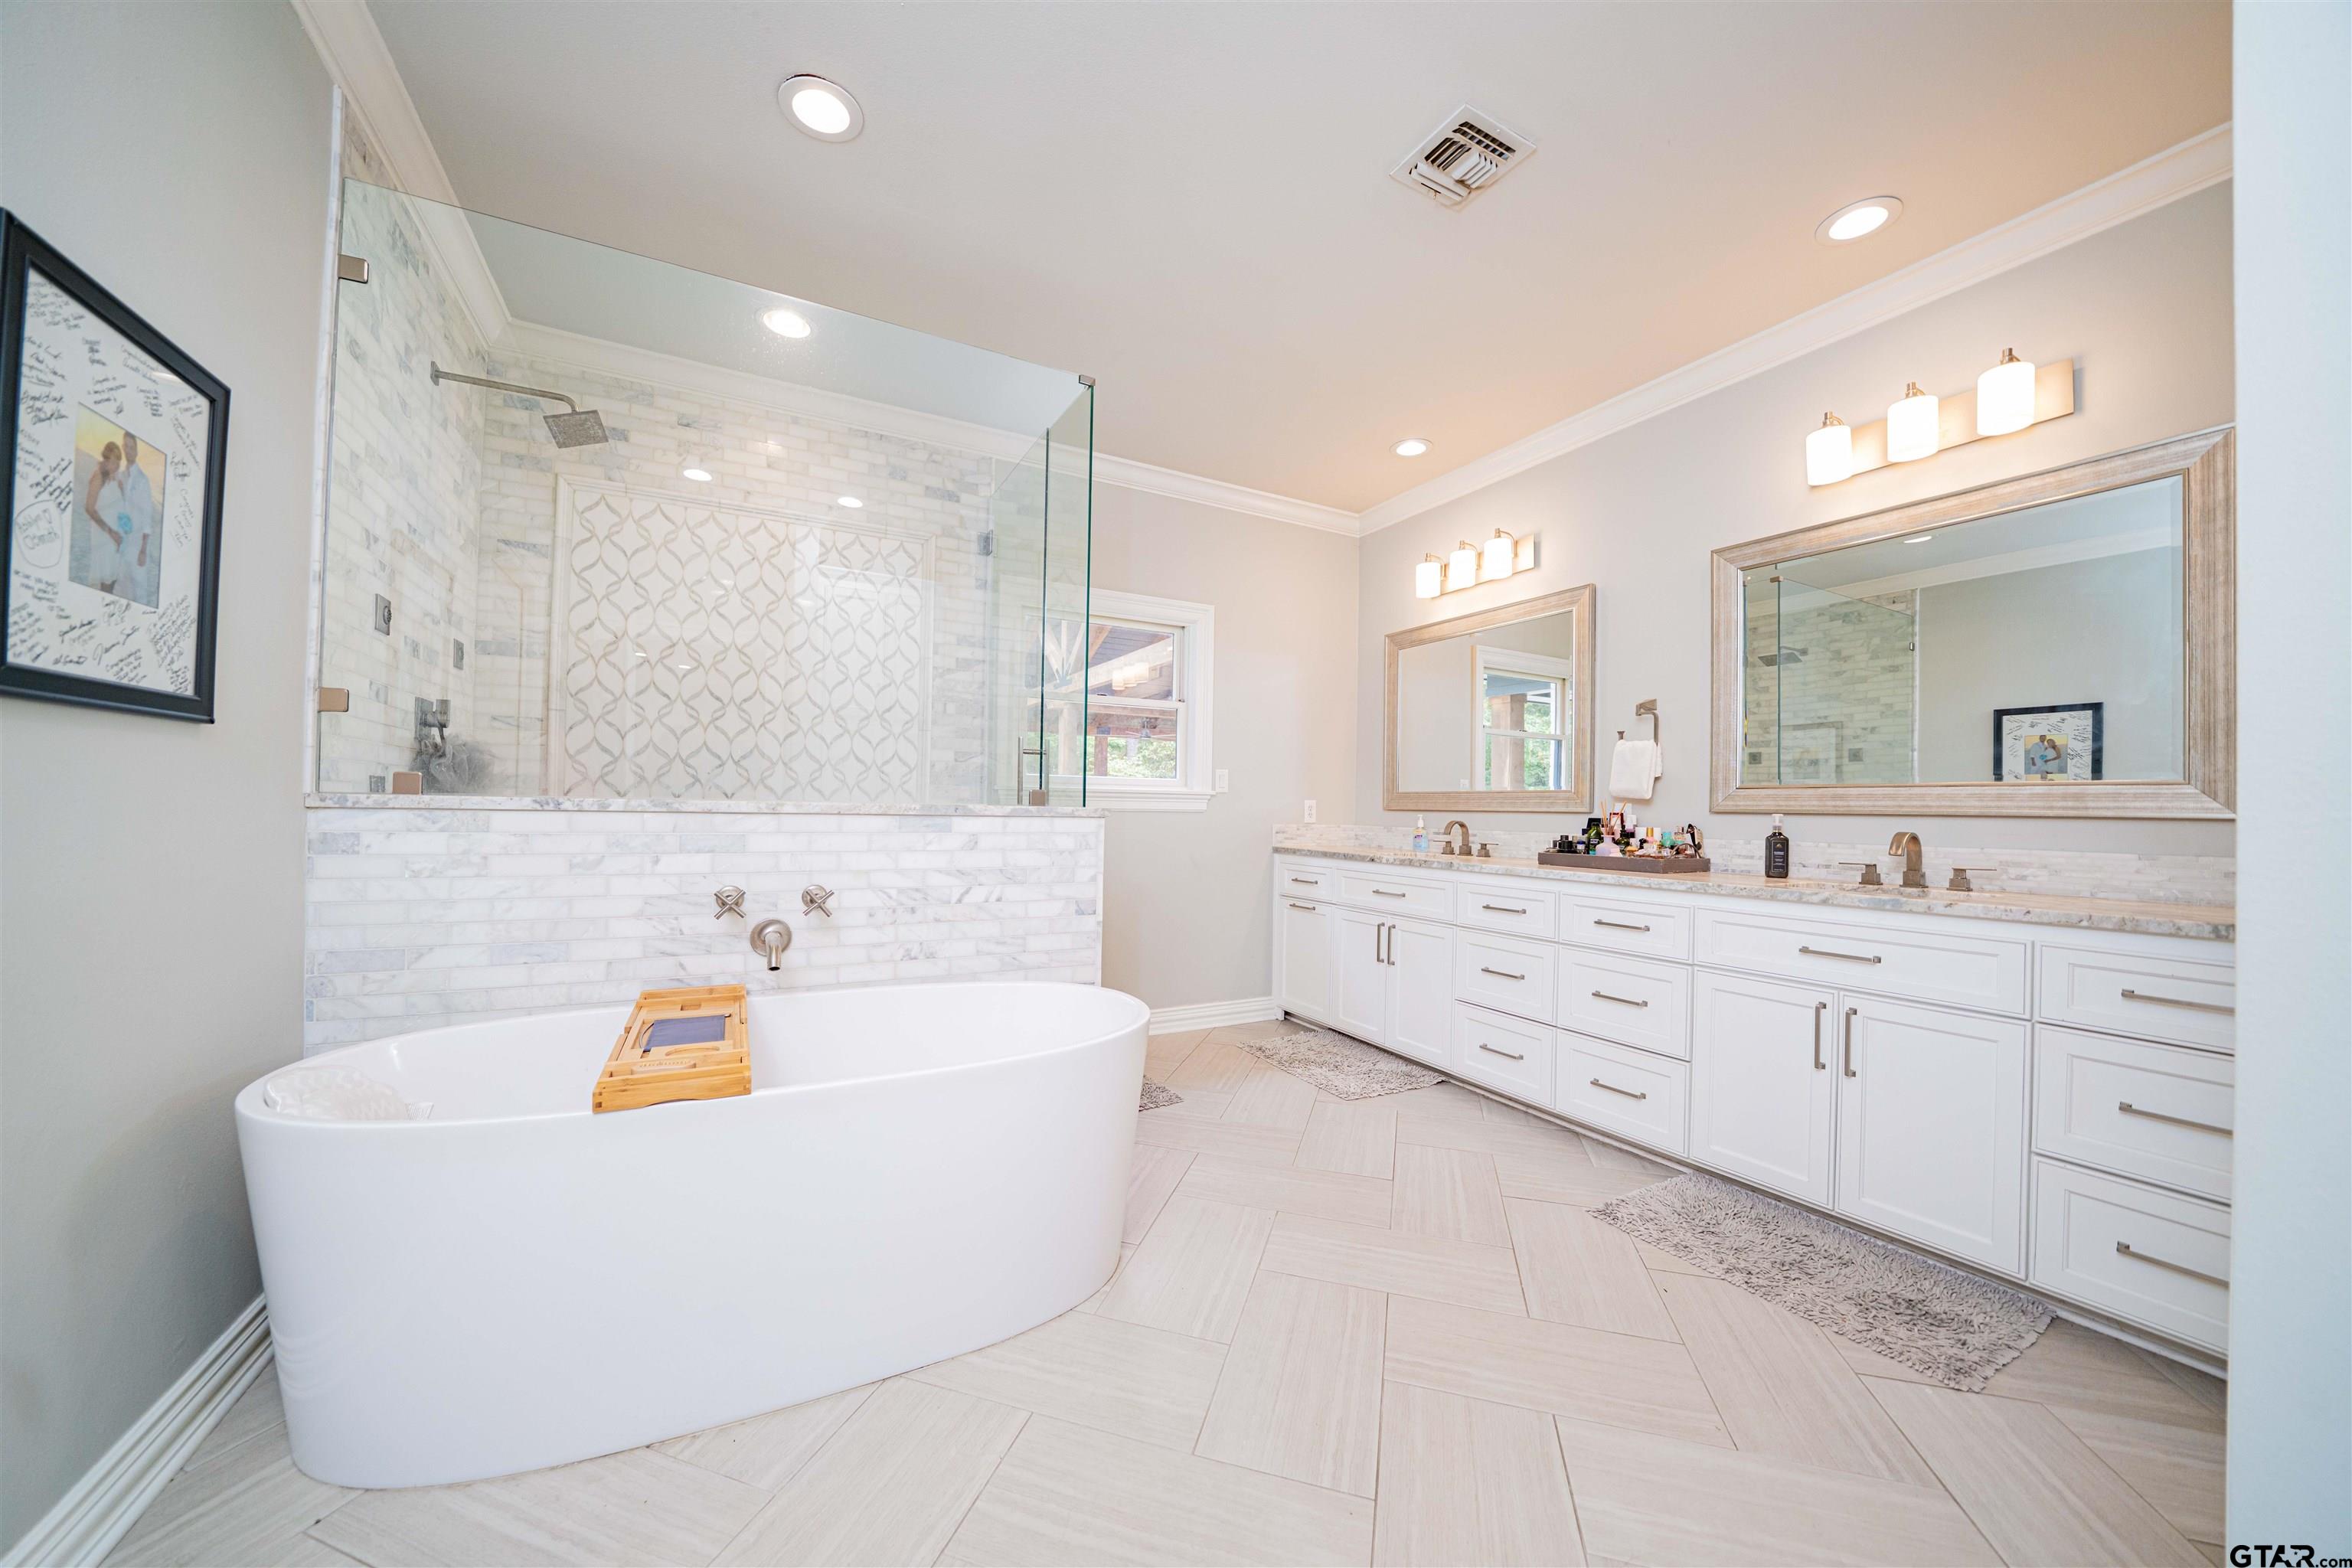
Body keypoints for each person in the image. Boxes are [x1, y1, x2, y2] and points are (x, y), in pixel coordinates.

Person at [81, 439, 126, 595]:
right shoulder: (99, 476)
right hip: (104, 535)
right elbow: (89, 508)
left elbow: (119, 506)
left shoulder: (115, 478)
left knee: (112, 579)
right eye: (113, 461)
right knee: (105, 582)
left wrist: (121, 490)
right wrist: (111, 532)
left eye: (119, 461)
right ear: (105, 461)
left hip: (115, 538)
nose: (117, 466)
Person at [116, 431, 156, 603]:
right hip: (122, 542)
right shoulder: (121, 476)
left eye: (132, 447)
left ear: (137, 451)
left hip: (137, 545)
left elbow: (147, 516)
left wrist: (143, 550)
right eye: (126, 446)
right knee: (122, 588)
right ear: (123, 448)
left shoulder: (142, 480)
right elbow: (120, 509)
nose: (129, 450)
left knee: (139, 592)